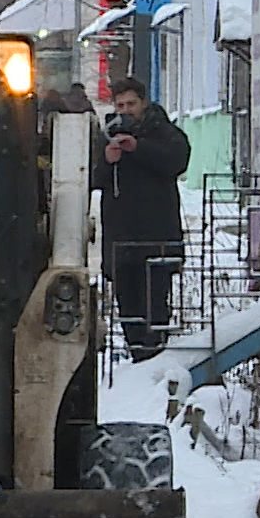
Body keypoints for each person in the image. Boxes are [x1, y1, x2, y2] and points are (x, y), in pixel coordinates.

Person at [92, 76, 190, 362]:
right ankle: (138, 362)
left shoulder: (163, 131)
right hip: (121, 242)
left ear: (144, 103)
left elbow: (177, 160)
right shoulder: (106, 135)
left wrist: (138, 149)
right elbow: (94, 180)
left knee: (155, 309)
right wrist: (107, 162)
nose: (125, 110)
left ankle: (155, 361)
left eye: (131, 104)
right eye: (120, 104)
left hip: (156, 238)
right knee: (129, 312)